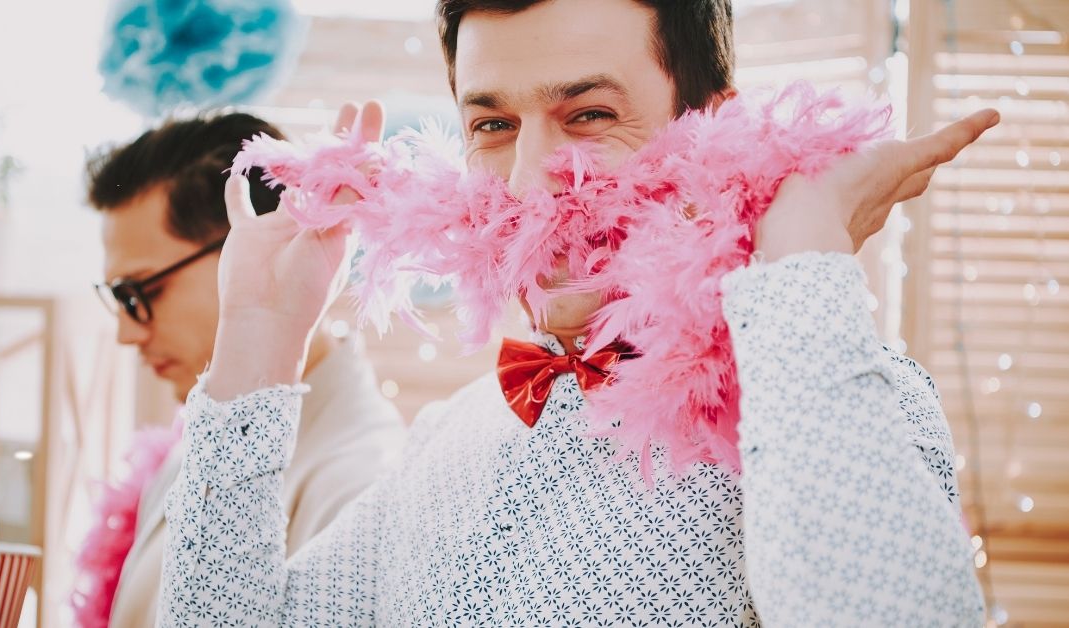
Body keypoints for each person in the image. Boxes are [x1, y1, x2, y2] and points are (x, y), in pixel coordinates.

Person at [160, 1, 1001, 625]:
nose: (530, 177)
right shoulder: (450, 436)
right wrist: (258, 336)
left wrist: (802, 260)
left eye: (589, 115)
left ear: (709, 124)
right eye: (492, 123)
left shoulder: (844, 389)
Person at [85, 113, 404, 627]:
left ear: (259, 241)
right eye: (116, 299)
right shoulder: (198, 444)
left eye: (139, 292)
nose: (127, 332)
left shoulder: (358, 483)